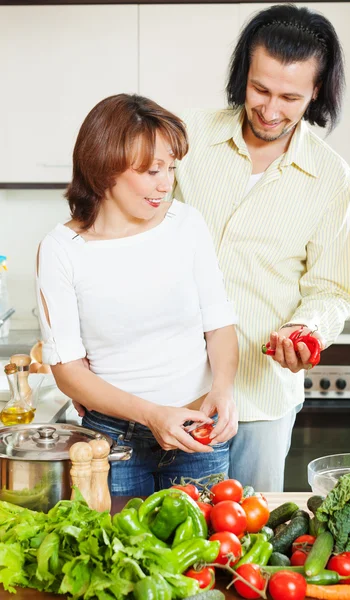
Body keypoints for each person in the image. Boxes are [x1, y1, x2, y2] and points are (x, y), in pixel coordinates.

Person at [171, 3, 350, 492]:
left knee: (248, 535)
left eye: (290, 97)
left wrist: (305, 329)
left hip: (261, 398)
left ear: (315, 92)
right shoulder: (184, 137)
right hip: (171, 393)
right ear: (243, 75)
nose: (271, 110)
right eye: (260, 89)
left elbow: (331, 290)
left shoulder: (331, 178)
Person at [36, 93, 239, 496]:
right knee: (122, 555)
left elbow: (219, 324)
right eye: (150, 171)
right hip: (113, 443)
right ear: (104, 167)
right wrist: (151, 415)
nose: (166, 184)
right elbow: (67, 371)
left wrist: (223, 390)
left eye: (171, 168)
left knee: (202, 557)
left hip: (198, 430)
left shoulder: (187, 224)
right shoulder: (61, 249)